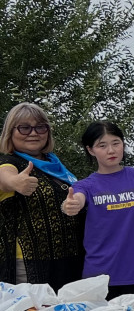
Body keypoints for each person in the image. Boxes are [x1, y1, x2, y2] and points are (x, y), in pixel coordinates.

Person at [61, 120, 134, 302]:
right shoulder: (86, 185)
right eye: (102, 145)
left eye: (116, 143)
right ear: (90, 150)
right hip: (99, 278)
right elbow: (76, 199)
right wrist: (70, 205)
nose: (111, 150)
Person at [0, 102, 84, 289]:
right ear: (10, 133)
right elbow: (5, 177)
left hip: (71, 261)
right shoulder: (9, 162)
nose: (33, 133)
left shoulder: (56, 165)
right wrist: (16, 183)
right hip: (31, 265)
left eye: (40, 127)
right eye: (24, 127)